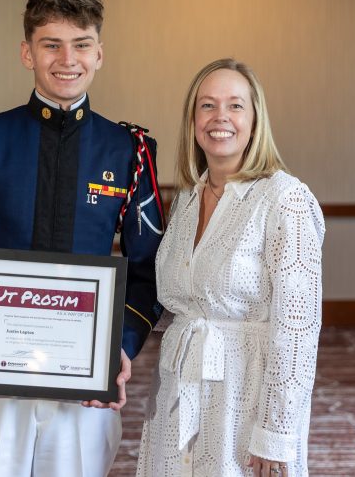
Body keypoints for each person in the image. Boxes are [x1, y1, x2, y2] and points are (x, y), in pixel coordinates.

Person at [0, 0, 164, 477]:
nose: (67, 58)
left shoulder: (129, 150)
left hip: (84, 375)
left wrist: (120, 346)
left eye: (81, 44)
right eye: (51, 44)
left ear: (100, 54)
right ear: (27, 53)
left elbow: (147, 269)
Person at [136, 58, 324, 477]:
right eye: (207, 105)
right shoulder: (187, 198)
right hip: (178, 391)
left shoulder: (285, 199)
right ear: (192, 120)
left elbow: (297, 329)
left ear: (255, 121)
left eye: (235, 106)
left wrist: (275, 433)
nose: (220, 117)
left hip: (245, 398)